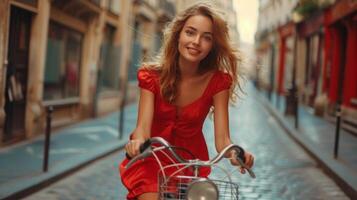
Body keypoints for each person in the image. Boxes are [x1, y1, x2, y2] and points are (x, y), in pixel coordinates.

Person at [119, 2, 254, 199]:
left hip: (190, 164)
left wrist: (237, 155)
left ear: (212, 45)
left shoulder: (218, 82)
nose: (196, 41)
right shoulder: (151, 76)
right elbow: (143, 129)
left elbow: (223, 140)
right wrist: (137, 144)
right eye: (190, 32)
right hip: (151, 159)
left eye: (206, 37)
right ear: (178, 35)